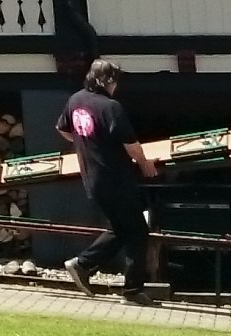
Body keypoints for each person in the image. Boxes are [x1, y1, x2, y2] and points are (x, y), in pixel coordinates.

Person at [50, 57, 158, 290]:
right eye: (114, 82)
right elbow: (132, 145)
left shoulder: (75, 100)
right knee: (137, 231)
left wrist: (86, 143)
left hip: (93, 179)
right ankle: (125, 286)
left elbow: (63, 129)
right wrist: (145, 164)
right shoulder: (111, 107)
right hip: (116, 178)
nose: (116, 87)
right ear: (106, 81)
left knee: (123, 229)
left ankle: (87, 266)